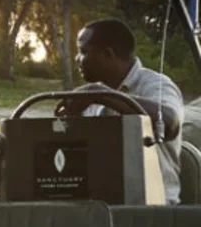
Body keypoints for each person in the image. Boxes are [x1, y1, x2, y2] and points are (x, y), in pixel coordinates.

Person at [67, 18, 184, 203]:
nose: (77, 59)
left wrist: (103, 96)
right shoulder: (92, 95)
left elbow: (170, 122)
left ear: (108, 54)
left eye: (83, 52)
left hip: (153, 207)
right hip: (100, 208)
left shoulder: (156, 85)